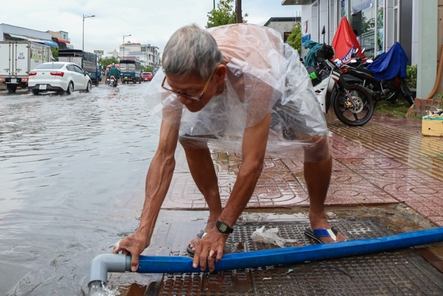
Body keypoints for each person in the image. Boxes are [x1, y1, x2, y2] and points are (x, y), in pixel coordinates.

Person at [114, 24, 346, 273]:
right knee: (190, 138)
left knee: (316, 142)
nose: (180, 100)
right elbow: (163, 156)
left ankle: (318, 216)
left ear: (219, 74)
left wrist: (225, 230)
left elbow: (252, 162)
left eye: (189, 93)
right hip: (219, 71)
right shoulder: (177, 80)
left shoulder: (257, 75)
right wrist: (143, 232)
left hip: (275, 64)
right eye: (177, 91)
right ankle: (214, 215)